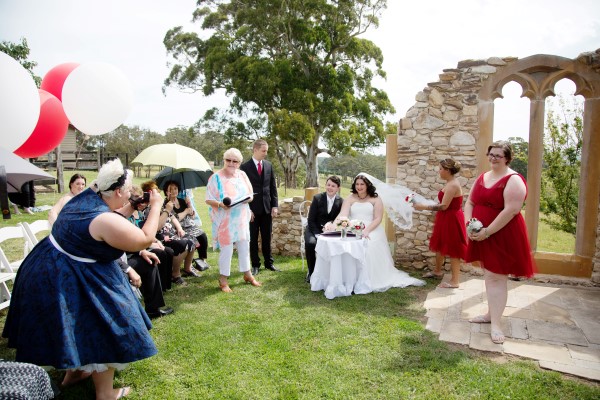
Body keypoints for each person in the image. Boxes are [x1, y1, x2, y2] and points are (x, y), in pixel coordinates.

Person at [2, 158, 162, 399]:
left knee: (73, 326)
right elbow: (143, 238)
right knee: (106, 322)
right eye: (128, 192)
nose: (130, 196)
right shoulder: (102, 219)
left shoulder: (88, 195)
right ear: (117, 191)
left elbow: (111, 217)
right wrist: (157, 205)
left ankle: (74, 373)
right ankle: (105, 393)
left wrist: (131, 207)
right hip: (68, 273)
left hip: (46, 267)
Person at [464, 140, 535, 345]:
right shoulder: (482, 177)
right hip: (481, 232)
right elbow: (470, 202)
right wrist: (470, 224)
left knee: (496, 277)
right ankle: (489, 314)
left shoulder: (513, 180)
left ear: (507, 158)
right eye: (491, 154)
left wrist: (487, 232)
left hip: (501, 234)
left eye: (498, 155)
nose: (494, 158)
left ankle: (496, 324)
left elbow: (511, 210)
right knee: (489, 274)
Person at [324, 174, 425, 293]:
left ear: (367, 185)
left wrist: (366, 230)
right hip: (353, 228)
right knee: (346, 244)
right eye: (357, 184)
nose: (359, 187)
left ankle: (368, 279)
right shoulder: (350, 198)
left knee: (368, 245)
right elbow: (343, 214)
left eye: (362, 184)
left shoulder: (376, 198)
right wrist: (333, 225)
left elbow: (377, 218)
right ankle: (349, 278)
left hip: (371, 228)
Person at [205, 148, 261, 292]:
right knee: (227, 249)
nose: (231, 163)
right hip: (225, 219)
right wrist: (220, 205)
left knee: (244, 245)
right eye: (228, 160)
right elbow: (208, 199)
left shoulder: (242, 175)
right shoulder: (215, 177)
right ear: (224, 160)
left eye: (235, 161)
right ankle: (223, 280)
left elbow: (251, 195)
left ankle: (247, 274)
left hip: (241, 217)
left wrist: (248, 199)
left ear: (239, 163)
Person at [414, 159, 467, 288]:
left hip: (452, 219)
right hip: (446, 218)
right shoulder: (449, 183)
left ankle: (455, 281)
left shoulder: (453, 185)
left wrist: (423, 207)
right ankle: (437, 271)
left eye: (441, 169)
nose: (439, 171)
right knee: (440, 244)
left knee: (454, 248)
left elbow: (443, 206)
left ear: (448, 170)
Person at [141, 180, 198, 285]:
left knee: (192, 239)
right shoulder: (149, 209)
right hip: (161, 236)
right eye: (156, 192)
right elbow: (157, 228)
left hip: (171, 232)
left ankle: (187, 268)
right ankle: (175, 274)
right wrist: (167, 211)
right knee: (184, 244)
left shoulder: (163, 205)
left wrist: (180, 228)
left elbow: (173, 218)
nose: (159, 194)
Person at [240, 139, 279, 276]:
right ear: (255, 150)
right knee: (253, 238)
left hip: (267, 209)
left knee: (267, 237)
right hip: (252, 211)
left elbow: (273, 187)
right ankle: (255, 265)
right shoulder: (244, 167)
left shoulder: (268, 165)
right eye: (263, 151)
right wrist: (247, 209)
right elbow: (242, 191)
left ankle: (269, 263)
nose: (265, 154)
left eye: (266, 151)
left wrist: (275, 205)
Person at [163, 180, 211, 271]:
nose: (174, 191)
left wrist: (189, 205)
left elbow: (192, 215)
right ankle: (188, 263)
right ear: (166, 192)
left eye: (175, 188)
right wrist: (185, 211)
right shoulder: (167, 204)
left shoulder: (181, 200)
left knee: (202, 235)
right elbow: (174, 219)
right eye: (171, 189)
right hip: (177, 228)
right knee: (192, 238)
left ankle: (201, 259)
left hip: (188, 225)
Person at [305, 175, 343, 282]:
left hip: (331, 232)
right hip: (313, 229)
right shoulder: (317, 198)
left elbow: (339, 219)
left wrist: (331, 225)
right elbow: (311, 220)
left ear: (338, 188)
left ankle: (330, 272)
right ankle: (311, 272)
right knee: (311, 244)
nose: (330, 188)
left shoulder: (341, 201)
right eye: (328, 185)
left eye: (333, 186)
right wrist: (318, 234)